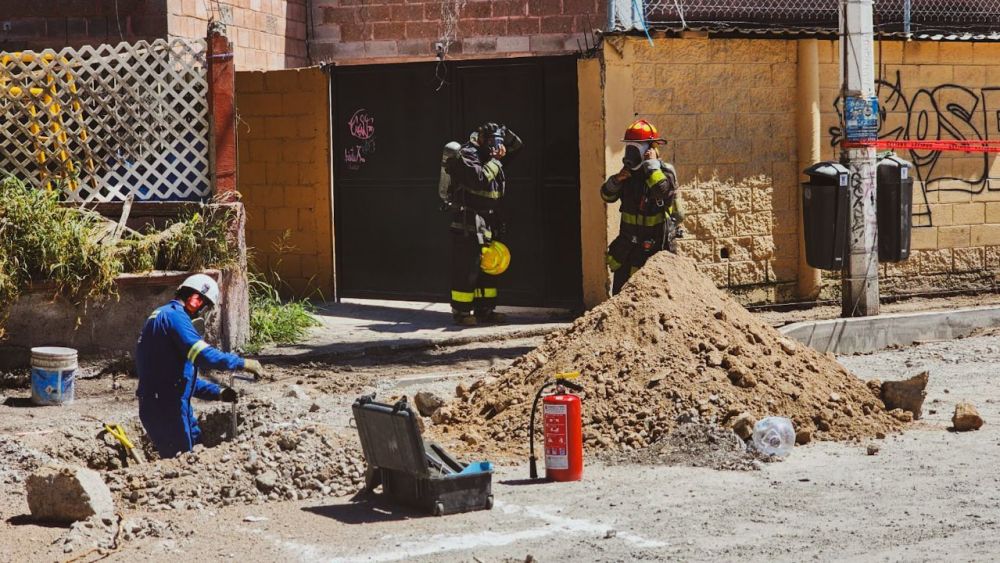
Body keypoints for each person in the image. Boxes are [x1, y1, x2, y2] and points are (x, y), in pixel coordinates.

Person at [135, 274, 266, 458]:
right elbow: (203, 356)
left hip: (167, 403)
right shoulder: (176, 317)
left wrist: (218, 392)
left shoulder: (164, 315)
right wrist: (241, 362)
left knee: (194, 447)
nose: (201, 314)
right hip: (166, 409)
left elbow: (177, 377)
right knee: (181, 463)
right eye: (204, 308)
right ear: (195, 300)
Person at [441, 122, 523, 326]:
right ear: (481, 139)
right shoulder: (467, 155)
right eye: (492, 140)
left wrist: (504, 132)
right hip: (468, 220)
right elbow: (478, 179)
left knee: (489, 267)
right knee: (467, 268)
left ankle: (485, 309)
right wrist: (495, 159)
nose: (496, 145)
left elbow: (519, 146)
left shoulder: (491, 155)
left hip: (489, 219)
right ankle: (461, 312)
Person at [601, 119, 682, 295]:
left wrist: (651, 166)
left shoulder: (664, 171)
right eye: (629, 146)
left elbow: (662, 192)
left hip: (655, 249)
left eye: (635, 146)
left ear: (651, 148)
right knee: (622, 298)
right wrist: (616, 180)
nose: (630, 152)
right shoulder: (628, 175)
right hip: (628, 249)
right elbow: (606, 195)